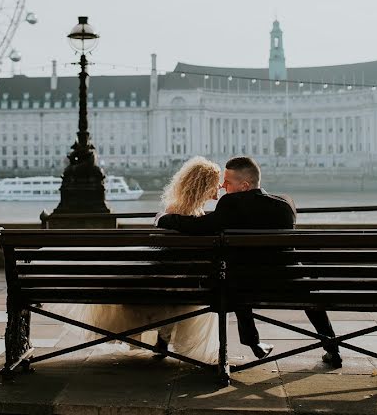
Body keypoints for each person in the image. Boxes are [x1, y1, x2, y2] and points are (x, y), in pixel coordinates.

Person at [155, 155, 342, 367]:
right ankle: (332, 347)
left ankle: (250, 343)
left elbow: (200, 226)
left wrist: (164, 218)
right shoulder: (285, 204)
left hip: (243, 286)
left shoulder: (231, 204)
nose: (224, 187)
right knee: (308, 291)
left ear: (244, 186)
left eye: (228, 183)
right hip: (290, 283)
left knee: (234, 277)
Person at [59, 156, 223, 364]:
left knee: (177, 288)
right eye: (215, 183)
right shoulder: (195, 216)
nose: (219, 187)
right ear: (204, 186)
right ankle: (163, 339)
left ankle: (162, 340)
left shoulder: (174, 209)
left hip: (163, 279)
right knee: (183, 292)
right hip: (176, 282)